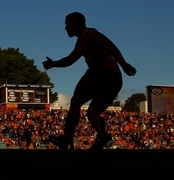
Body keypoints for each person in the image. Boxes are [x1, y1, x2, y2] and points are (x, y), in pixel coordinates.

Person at [43, 12, 136, 150]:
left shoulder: (88, 34)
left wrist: (124, 64)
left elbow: (109, 45)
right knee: (92, 113)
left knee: (76, 101)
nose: (65, 28)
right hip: (115, 79)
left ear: (76, 23)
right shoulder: (81, 41)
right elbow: (70, 59)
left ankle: (66, 139)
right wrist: (53, 64)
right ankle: (101, 135)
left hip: (101, 73)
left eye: (67, 24)